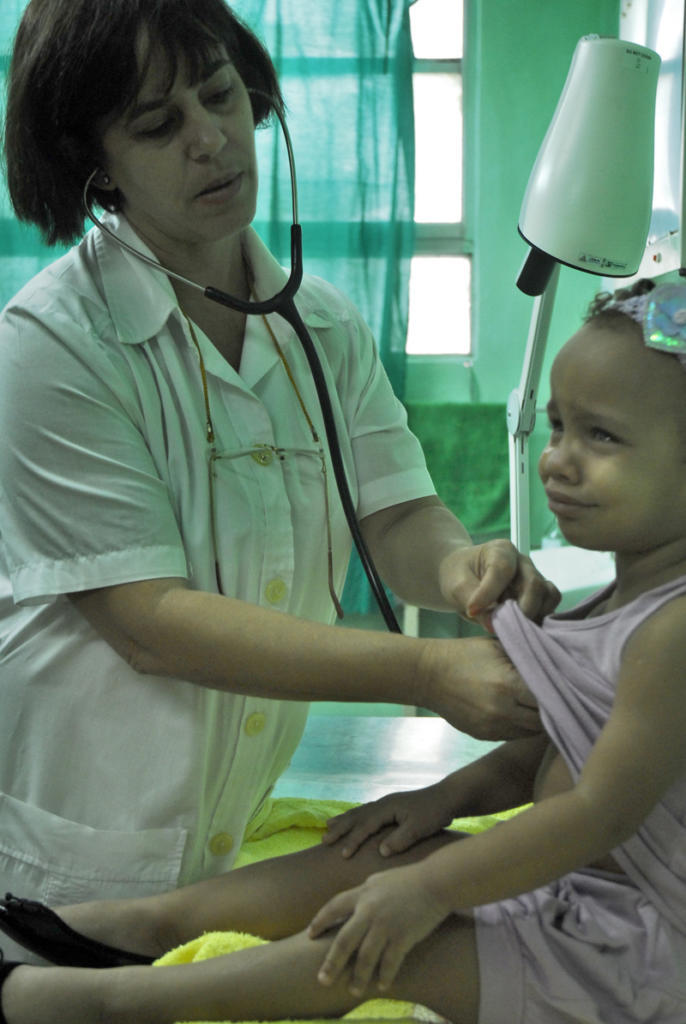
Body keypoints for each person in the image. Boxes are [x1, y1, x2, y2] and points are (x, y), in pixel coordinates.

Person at [0, 0, 556, 945]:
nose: (211, 139)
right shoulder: (50, 347)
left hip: (223, 846)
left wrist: (462, 568)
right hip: (71, 851)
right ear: (94, 166)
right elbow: (150, 622)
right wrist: (427, 670)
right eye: (158, 124)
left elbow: (395, 513)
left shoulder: (322, 324)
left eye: (221, 95)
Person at [2, 274, 686, 1024]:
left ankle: (106, 1002)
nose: (556, 460)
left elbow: (597, 810)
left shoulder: (674, 631)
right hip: (582, 890)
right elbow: (555, 754)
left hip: (640, 946)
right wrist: (442, 801)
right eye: (556, 426)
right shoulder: (617, 603)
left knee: (392, 944)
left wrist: (429, 891)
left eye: (601, 436)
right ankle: (134, 929)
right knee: (387, 853)